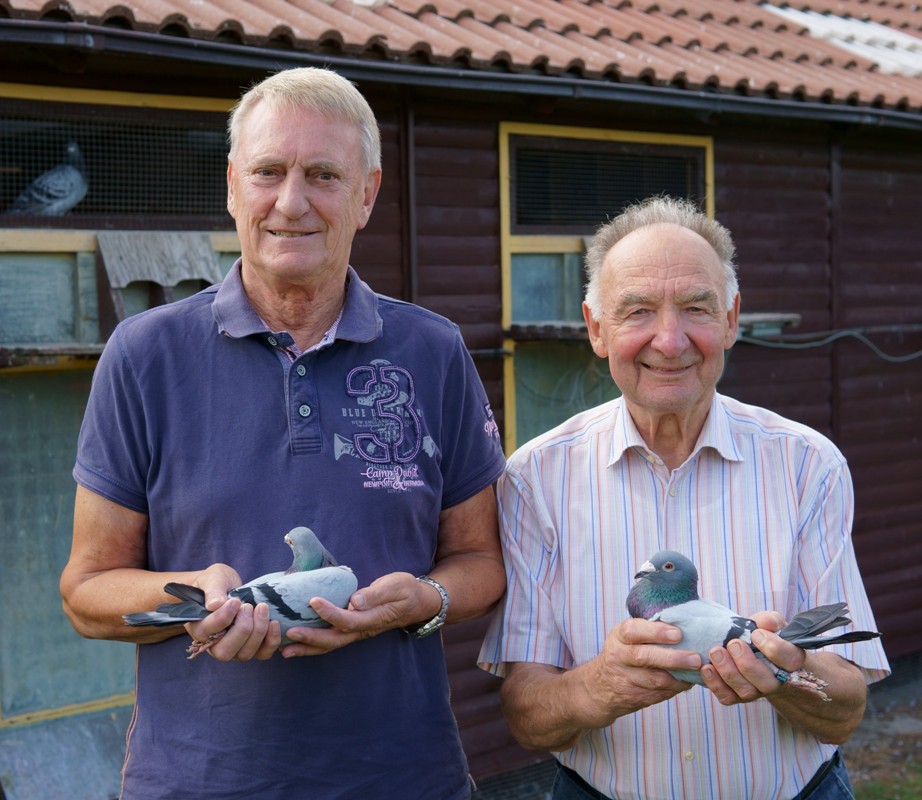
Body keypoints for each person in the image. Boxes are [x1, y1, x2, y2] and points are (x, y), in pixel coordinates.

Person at [60, 67, 507, 800]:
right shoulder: (145, 355)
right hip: (198, 783)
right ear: (233, 186)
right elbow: (86, 591)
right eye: (268, 171)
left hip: (404, 780)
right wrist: (197, 600)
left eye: (324, 175)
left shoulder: (432, 351)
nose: (291, 202)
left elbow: (480, 560)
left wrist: (424, 599)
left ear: (366, 195)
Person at [478, 196, 889, 800]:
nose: (669, 342)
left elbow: (845, 707)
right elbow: (526, 714)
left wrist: (785, 674)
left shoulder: (809, 465)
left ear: (731, 320)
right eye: (637, 311)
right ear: (596, 329)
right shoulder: (534, 477)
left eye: (696, 308)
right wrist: (601, 685)